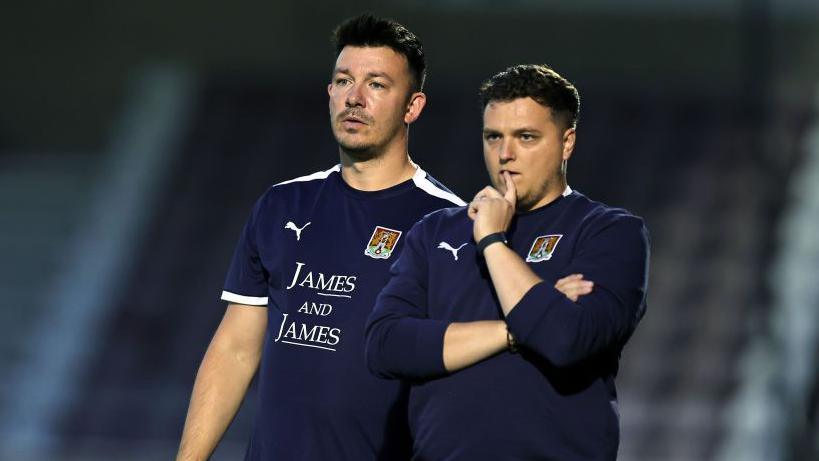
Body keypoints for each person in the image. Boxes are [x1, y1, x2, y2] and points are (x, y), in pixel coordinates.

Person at [176, 14, 464, 461]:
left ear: (413, 106)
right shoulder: (281, 205)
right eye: (344, 80)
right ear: (329, 92)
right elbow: (234, 348)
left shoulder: (448, 224)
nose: (355, 98)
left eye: (377, 85)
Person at [365, 64, 650, 460]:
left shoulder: (609, 233)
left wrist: (493, 241)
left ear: (567, 143)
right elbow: (385, 345)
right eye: (493, 136)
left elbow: (565, 339)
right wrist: (516, 329)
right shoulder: (436, 233)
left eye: (526, 137)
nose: (505, 154)